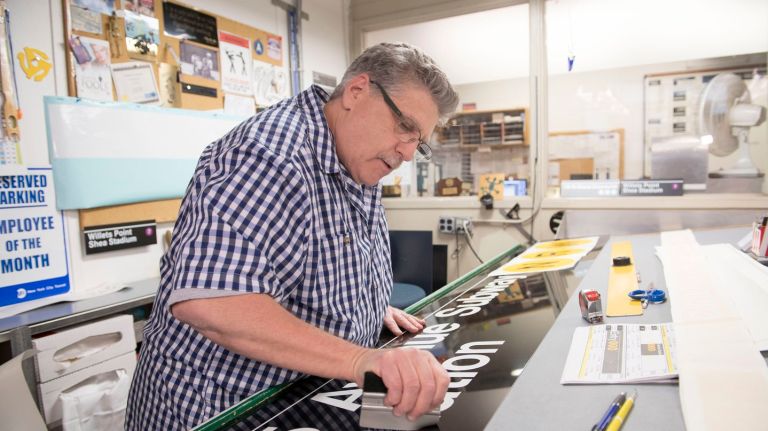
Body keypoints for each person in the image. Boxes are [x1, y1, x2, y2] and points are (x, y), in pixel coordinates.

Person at [125, 42, 459, 430]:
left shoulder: (357, 154)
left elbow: (311, 260)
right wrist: (361, 360)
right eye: (404, 127)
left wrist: (360, 307)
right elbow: (212, 303)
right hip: (218, 410)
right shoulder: (267, 155)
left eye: (417, 143)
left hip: (298, 398)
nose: (405, 152)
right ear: (356, 92)